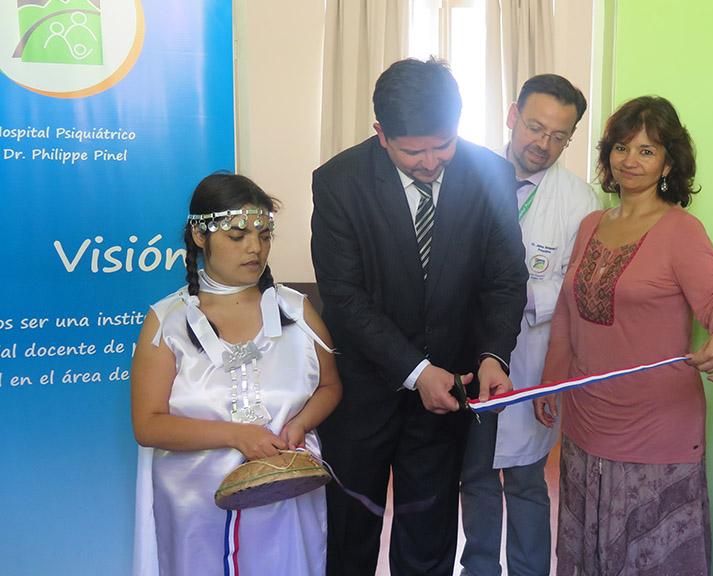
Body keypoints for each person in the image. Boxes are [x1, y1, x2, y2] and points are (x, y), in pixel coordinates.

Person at [311, 57, 528, 576]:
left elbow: (504, 278)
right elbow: (344, 296)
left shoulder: (491, 174)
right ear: (381, 133)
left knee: (428, 526)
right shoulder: (339, 182)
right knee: (351, 526)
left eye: (443, 144)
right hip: (365, 391)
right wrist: (415, 371)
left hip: (449, 388)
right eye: (414, 150)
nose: (431, 161)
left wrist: (495, 353)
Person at [533, 96, 713, 575]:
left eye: (647, 151)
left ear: (669, 162)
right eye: (621, 147)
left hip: (657, 429)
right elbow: (569, 313)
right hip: (586, 419)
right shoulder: (592, 224)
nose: (630, 160)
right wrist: (552, 380)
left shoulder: (681, 231)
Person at [130, 173, 342, 575]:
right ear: (199, 235)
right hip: (195, 502)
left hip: (285, 490)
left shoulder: (296, 310)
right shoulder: (167, 321)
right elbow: (148, 425)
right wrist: (236, 435)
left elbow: (330, 386)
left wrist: (299, 425)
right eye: (237, 235)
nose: (254, 248)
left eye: (264, 235)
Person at [459, 74, 600, 576]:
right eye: (535, 127)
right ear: (512, 115)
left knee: (524, 478)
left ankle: (529, 570)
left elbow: (577, 288)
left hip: (532, 357)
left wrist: (510, 292)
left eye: (559, 136)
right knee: (472, 474)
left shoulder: (580, 201)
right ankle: (478, 567)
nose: (543, 143)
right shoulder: (466, 174)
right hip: (467, 354)